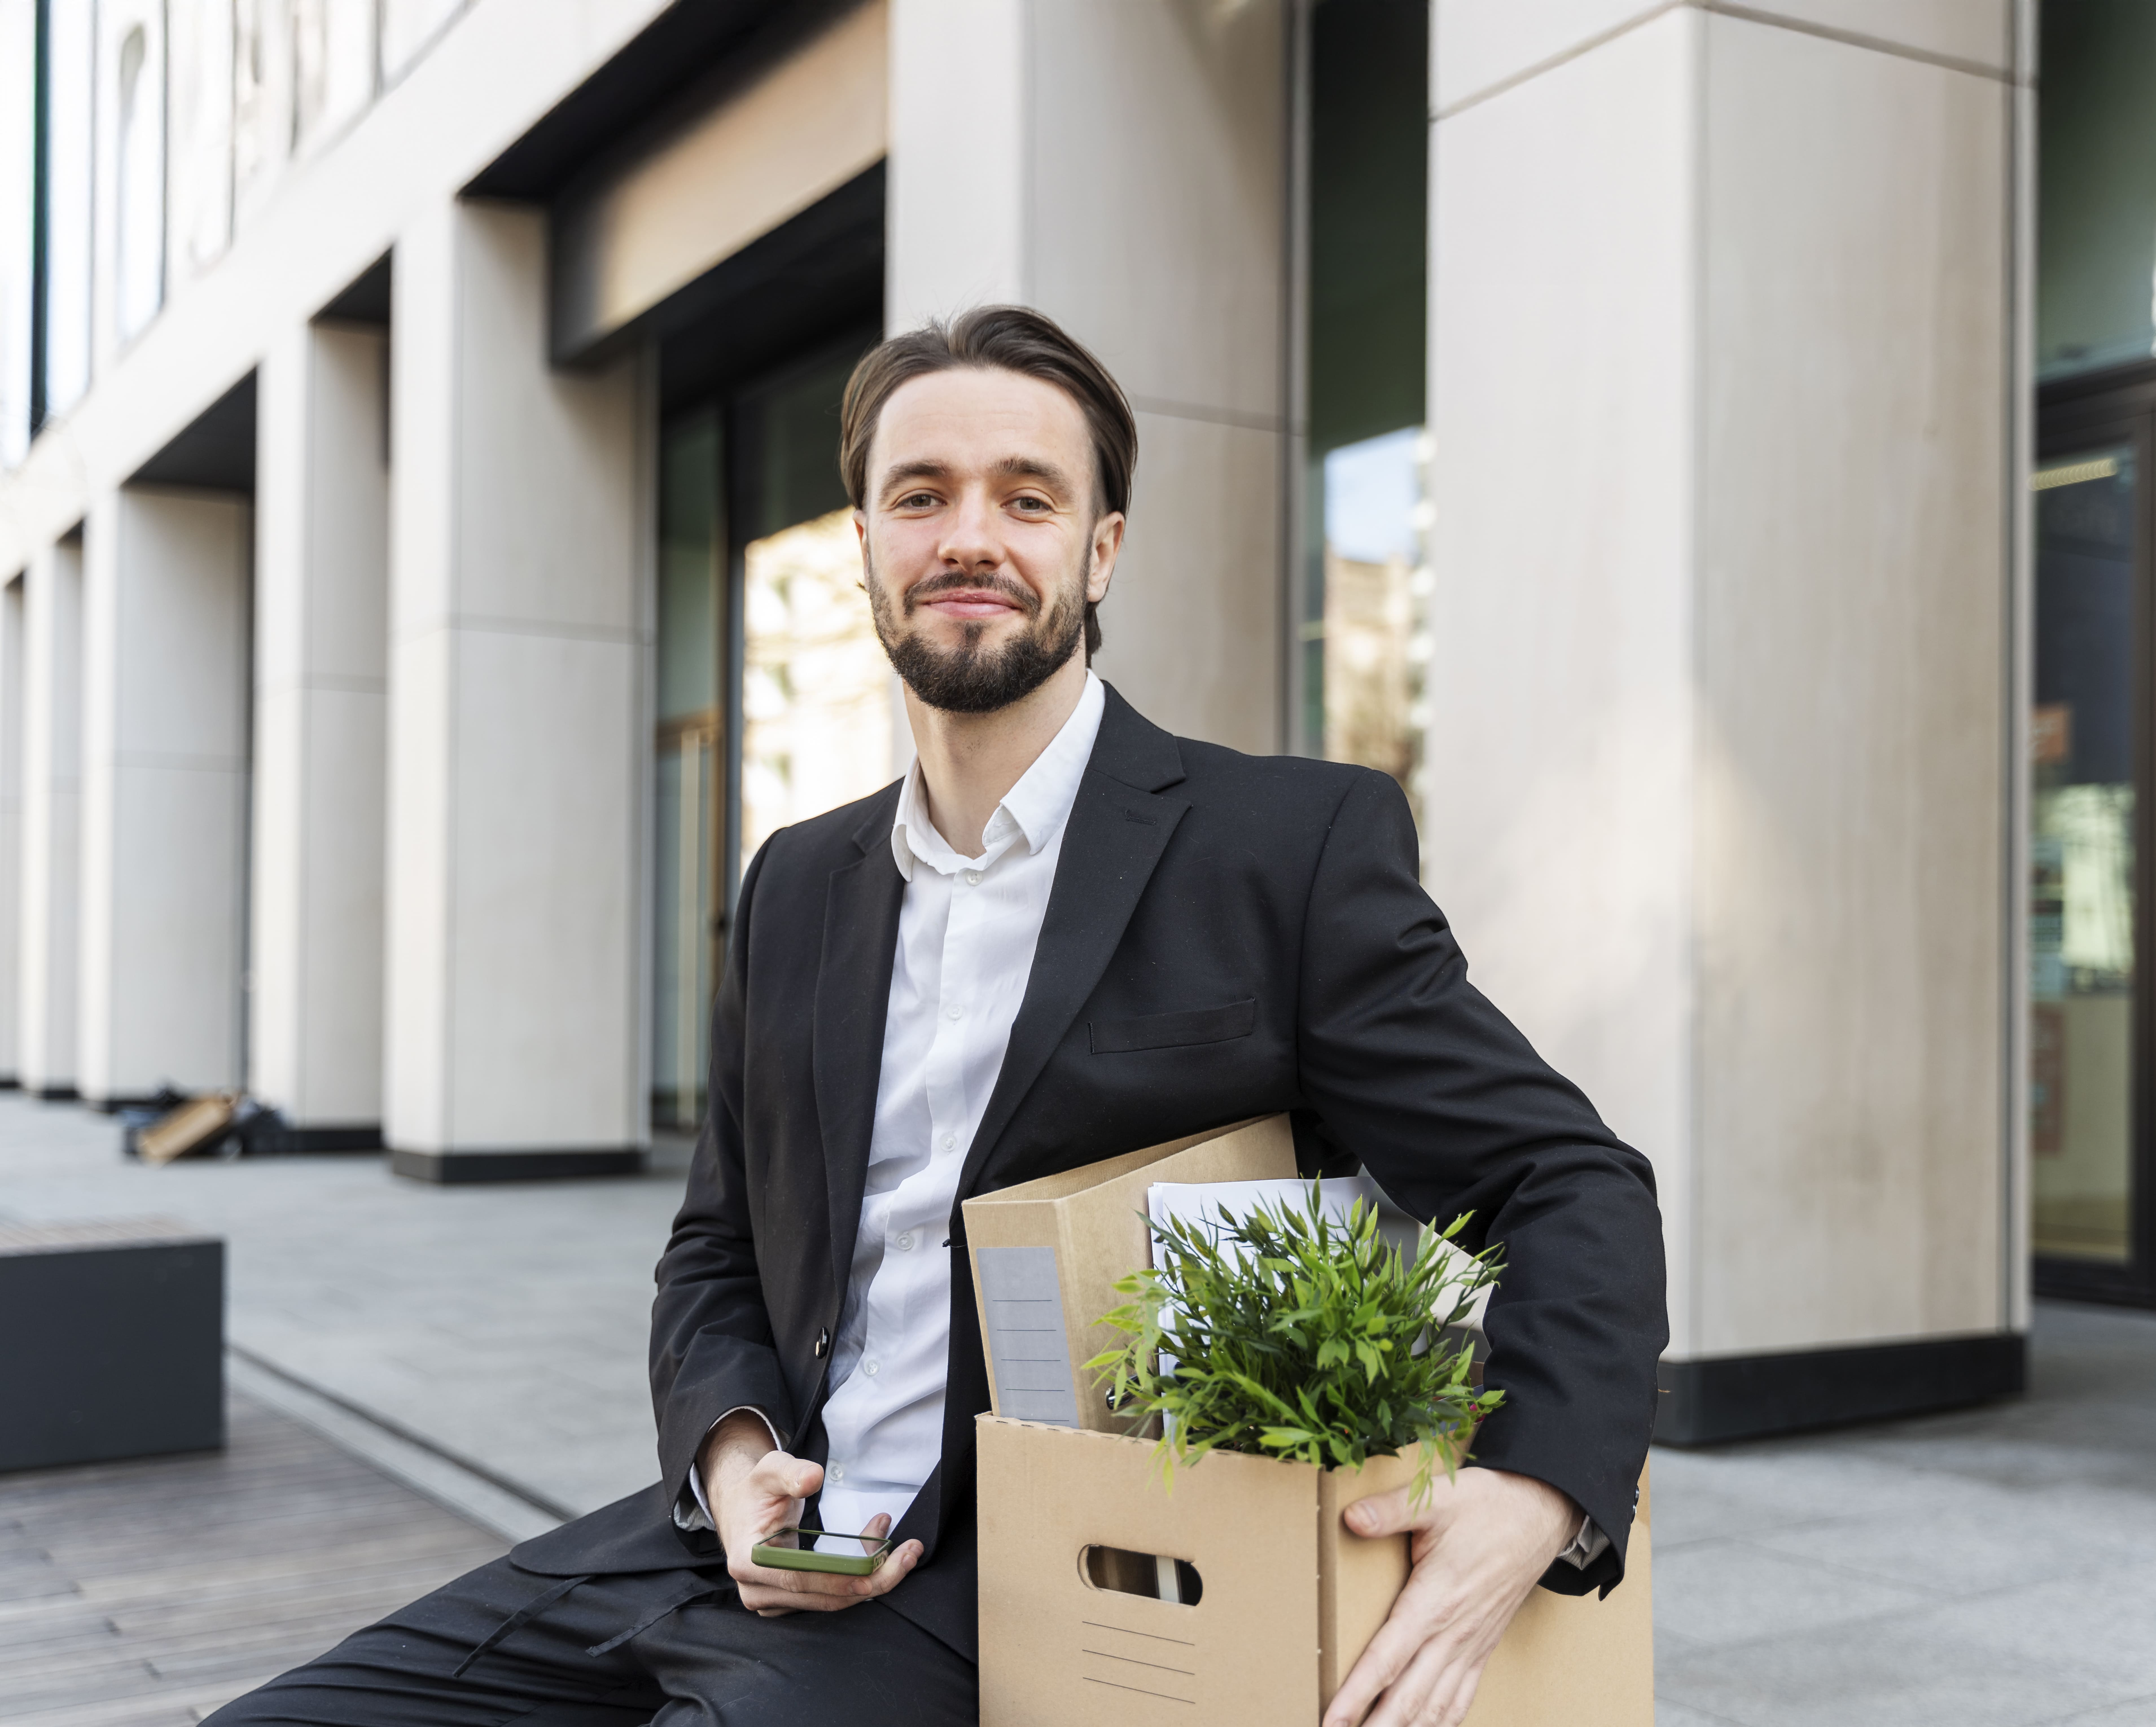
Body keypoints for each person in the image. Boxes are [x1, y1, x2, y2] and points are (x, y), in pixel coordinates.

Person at [211, 306, 1667, 1727]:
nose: (971, 535)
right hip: (755, 1543)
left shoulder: (1279, 849)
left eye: (1028, 498)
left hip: (1030, 1572)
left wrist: (1531, 1492)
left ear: (1100, 553)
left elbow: (1569, 1183)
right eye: (922, 497)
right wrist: (731, 1452)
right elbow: (716, 1243)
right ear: (865, 547)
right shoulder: (795, 880)